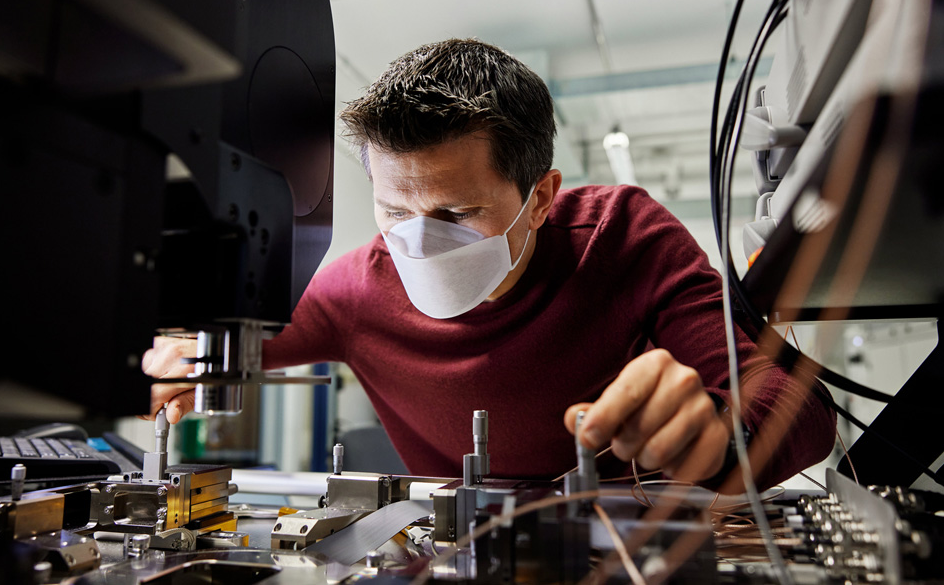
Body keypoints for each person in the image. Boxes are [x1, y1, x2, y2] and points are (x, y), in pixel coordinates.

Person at [143, 38, 835, 491]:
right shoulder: (354, 290)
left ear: (540, 199)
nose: (415, 242)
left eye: (454, 214)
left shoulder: (621, 238)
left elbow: (802, 407)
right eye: (393, 211)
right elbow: (220, 346)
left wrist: (719, 435)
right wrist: (174, 357)